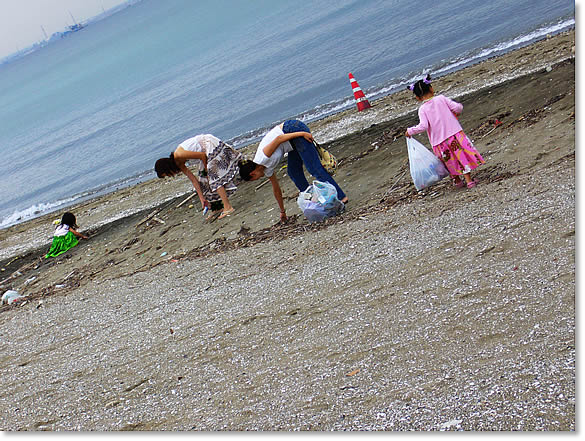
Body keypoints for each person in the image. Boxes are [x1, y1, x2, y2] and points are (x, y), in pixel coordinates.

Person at [238, 119, 348, 222]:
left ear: (252, 173)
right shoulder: (266, 170)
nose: (258, 178)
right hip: (291, 143)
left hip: (293, 128)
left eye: (254, 179)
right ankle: (312, 201)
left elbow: (279, 139)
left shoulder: (263, 157)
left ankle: (341, 198)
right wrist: (282, 211)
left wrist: (302, 134)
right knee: (293, 172)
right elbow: (276, 190)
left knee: (313, 168)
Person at [405, 74, 485, 189]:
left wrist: (410, 131)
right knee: (461, 157)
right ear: (431, 89)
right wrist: (456, 112)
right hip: (455, 135)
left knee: (448, 161)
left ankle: (457, 181)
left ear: (417, 97)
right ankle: (469, 181)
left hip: (439, 142)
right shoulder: (441, 99)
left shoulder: (422, 109)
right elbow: (458, 108)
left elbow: (423, 126)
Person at [155, 134, 241, 220]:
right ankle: (217, 207)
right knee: (203, 181)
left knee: (213, 177)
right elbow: (193, 180)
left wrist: (207, 171)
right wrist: (202, 198)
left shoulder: (179, 154)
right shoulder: (179, 163)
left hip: (209, 144)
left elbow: (202, 155)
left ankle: (228, 207)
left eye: (167, 174)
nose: (170, 175)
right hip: (205, 153)